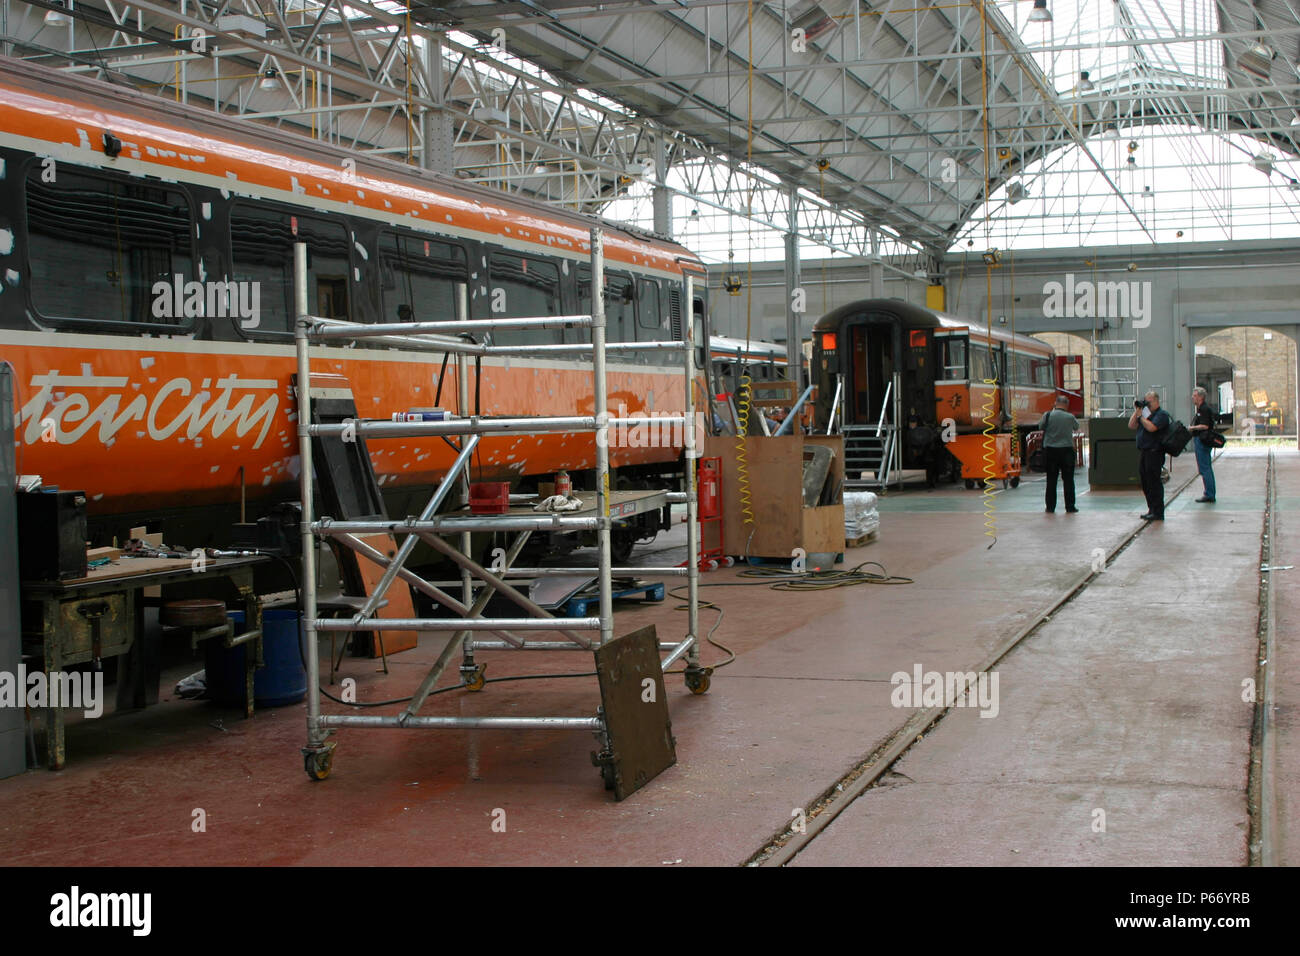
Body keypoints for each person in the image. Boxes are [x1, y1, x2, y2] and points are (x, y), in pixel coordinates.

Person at [1128, 390, 1171, 521]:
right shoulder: (1145, 414)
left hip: (1155, 452)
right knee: (1146, 482)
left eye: (1149, 402)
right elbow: (1131, 425)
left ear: (1156, 401)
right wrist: (1137, 412)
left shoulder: (1161, 415)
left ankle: (1158, 511)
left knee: (1154, 482)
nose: (1147, 404)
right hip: (1144, 452)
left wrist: (1142, 417)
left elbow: (1152, 428)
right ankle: (1151, 508)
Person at [1038, 394, 1079, 513]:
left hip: (1051, 450)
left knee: (1051, 480)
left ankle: (1050, 507)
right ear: (1066, 405)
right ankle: (1070, 506)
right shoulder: (1070, 417)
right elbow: (1076, 427)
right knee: (1068, 480)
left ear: (1055, 403)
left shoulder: (1048, 415)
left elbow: (1041, 426)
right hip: (1066, 451)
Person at [1189, 386, 1217, 503]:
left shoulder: (1204, 409)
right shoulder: (1201, 409)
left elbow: (1205, 426)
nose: (1192, 397)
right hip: (1200, 440)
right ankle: (1209, 492)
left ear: (1200, 397)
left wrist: (1192, 427)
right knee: (1205, 467)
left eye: (1194, 396)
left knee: (1205, 468)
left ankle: (1209, 494)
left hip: (1203, 441)